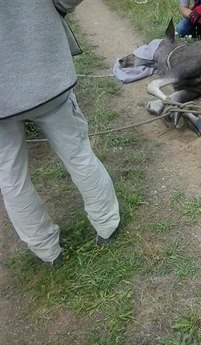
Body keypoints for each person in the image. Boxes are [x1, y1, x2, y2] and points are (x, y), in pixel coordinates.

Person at [0, 0, 120, 267]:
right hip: (44, 70)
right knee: (78, 154)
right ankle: (106, 225)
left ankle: (47, 252)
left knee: (10, 179)